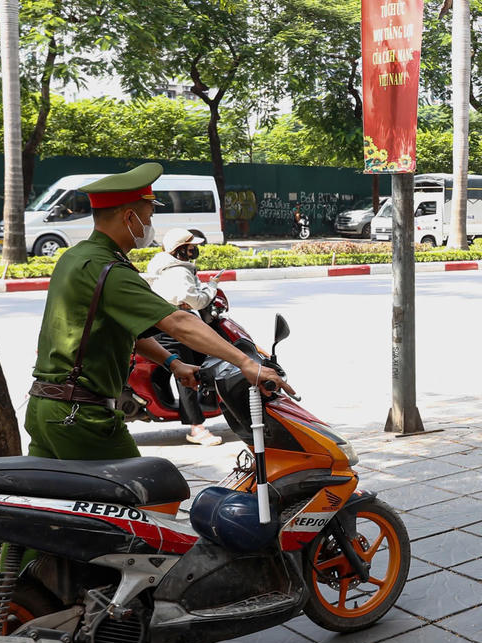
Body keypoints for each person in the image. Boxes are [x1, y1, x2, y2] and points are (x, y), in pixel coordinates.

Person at [26, 162, 289, 461]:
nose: (150, 226)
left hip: (46, 408)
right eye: (149, 216)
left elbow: (124, 331)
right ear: (129, 217)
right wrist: (246, 363)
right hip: (81, 416)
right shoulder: (109, 269)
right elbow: (178, 322)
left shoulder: (74, 258)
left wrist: (173, 363)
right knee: (152, 491)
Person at [143, 228, 223, 446]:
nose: (194, 250)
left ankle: (197, 405)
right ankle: (196, 428)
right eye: (191, 247)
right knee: (187, 373)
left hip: (167, 323)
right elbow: (195, 301)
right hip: (172, 326)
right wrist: (212, 288)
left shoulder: (167, 265)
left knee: (202, 358)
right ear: (180, 250)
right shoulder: (177, 271)